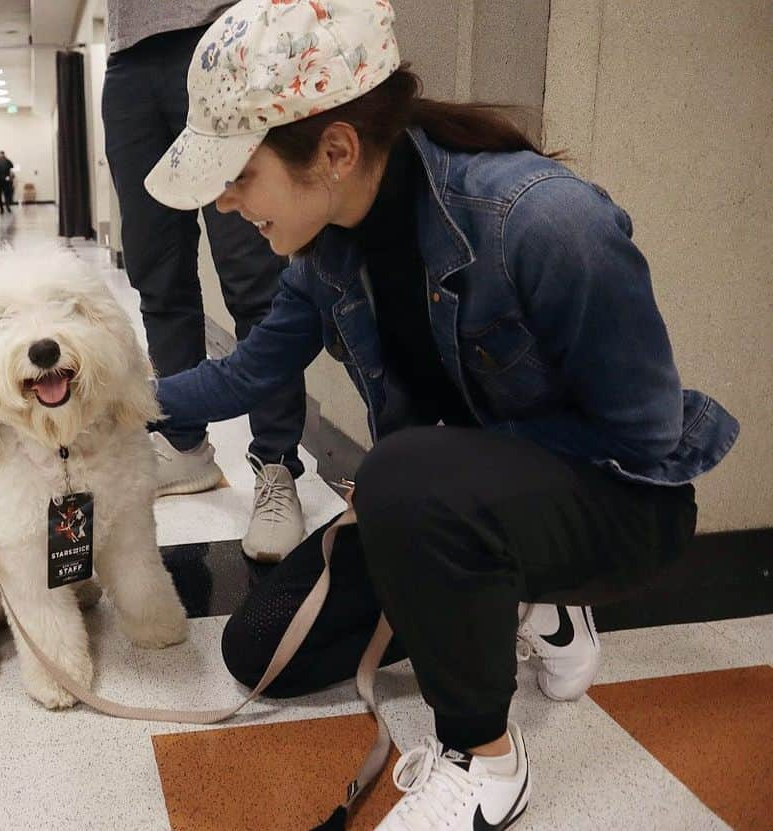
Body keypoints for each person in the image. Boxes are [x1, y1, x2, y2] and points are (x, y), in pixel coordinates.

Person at [143, 1, 739, 828]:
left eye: (239, 176)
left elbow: (642, 440)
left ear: (336, 150)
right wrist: (118, 402)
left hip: (624, 502)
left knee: (407, 475)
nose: (225, 204)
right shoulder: (326, 250)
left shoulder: (543, 220)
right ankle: (517, 592)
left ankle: (486, 761)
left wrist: (439, 470)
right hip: (441, 496)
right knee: (261, 650)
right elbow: (249, 370)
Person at [103, 0, 308, 563]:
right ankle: (185, 442)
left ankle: (276, 467)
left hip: (222, 32)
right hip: (127, 56)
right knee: (157, 273)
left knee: (253, 277)